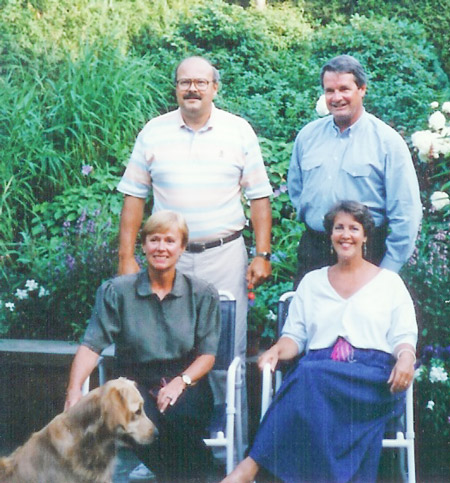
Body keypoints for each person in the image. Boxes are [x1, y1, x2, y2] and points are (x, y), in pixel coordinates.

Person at [116, 55, 273, 450]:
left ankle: (227, 444)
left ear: (214, 88)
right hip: (170, 260)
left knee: (224, 349)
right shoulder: (154, 132)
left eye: (201, 82)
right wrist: (125, 258)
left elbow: (259, 197)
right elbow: (134, 197)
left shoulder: (238, 132)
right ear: (176, 88)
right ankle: (157, 445)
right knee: (158, 346)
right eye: (185, 82)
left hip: (224, 256)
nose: (192, 88)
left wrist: (262, 253)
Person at [222, 200, 418, 483]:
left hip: (369, 381)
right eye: (339, 227)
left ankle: (249, 468)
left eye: (354, 228)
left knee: (308, 376)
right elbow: (295, 338)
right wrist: (277, 349)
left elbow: (403, 337)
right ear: (330, 234)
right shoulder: (312, 283)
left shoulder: (389, 284)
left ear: (365, 236)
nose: (346, 234)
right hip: (319, 374)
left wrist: (406, 358)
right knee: (309, 374)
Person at [65, 210, 221, 482]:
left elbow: (207, 355)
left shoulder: (202, 293)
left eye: (170, 241)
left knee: (179, 416)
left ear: (182, 247)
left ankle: (184, 475)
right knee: (135, 419)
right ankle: (210, 475)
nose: (161, 247)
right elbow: (91, 345)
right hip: (132, 380)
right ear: (144, 245)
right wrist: (74, 390)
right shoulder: (116, 291)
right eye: (154, 239)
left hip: (185, 379)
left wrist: (179, 382)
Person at [288, 54, 422, 285]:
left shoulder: (387, 142)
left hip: (367, 254)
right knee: (311, 319)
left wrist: (388, 271)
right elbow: (297, 190)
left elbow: (406, 211)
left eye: (344, 89)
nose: (337, 97)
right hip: (314, 251)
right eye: (330, 91)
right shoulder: (307, 137)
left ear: (362, 89)